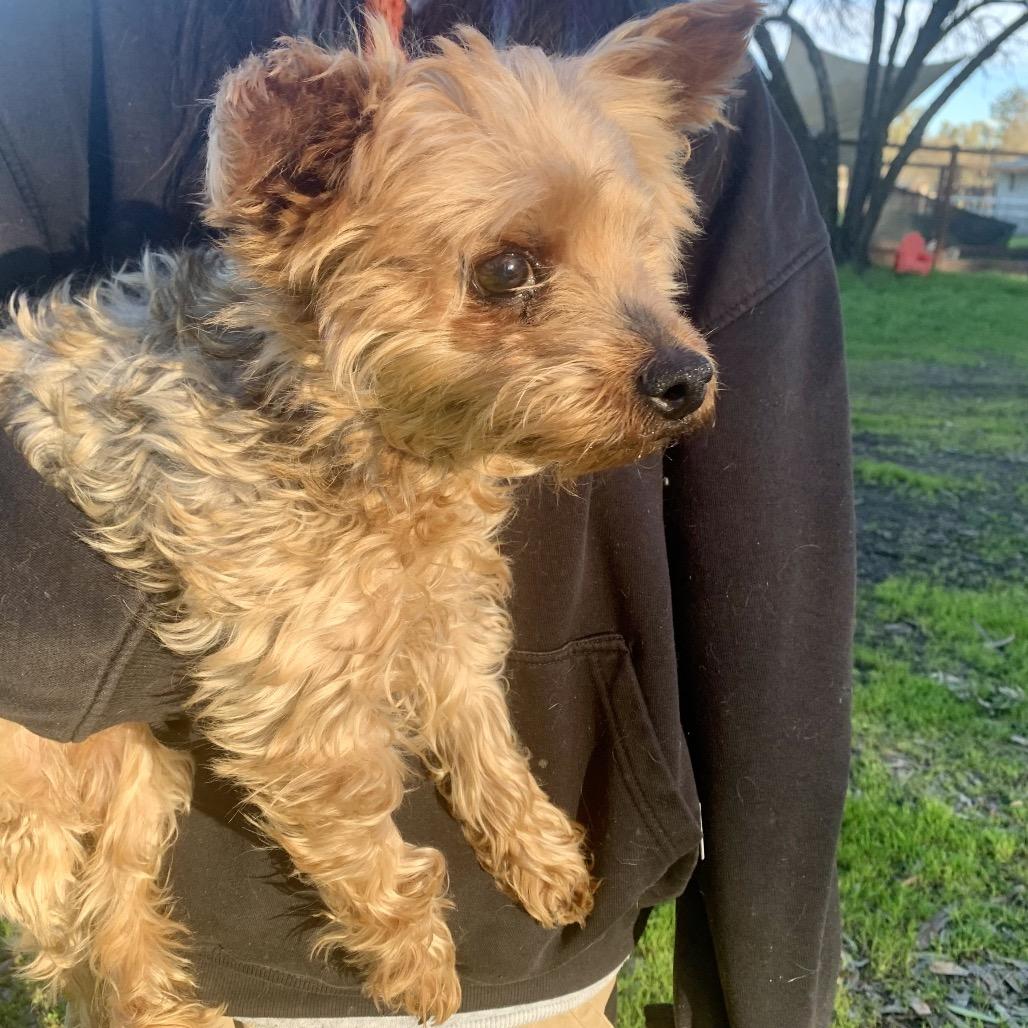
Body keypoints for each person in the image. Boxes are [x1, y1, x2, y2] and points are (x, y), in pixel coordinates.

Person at [0, 1, 855, 1025]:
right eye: (508, 274)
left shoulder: (440, 440)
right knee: (106, 815)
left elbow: (460, 624)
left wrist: (516, 809)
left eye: (633, 247)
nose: (663, 344)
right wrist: (398, 920)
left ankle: (506, 823)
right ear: (297, 213)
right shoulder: (87, 49)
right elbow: (311, 740)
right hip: (76, 703)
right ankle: (133, 984)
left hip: (543, 975)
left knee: (446, 616)